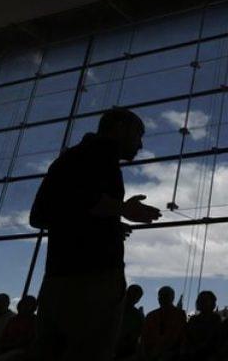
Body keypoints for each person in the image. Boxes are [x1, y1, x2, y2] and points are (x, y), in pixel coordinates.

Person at [31, 108, 161, 361]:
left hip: (58, 277)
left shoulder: (71, 159)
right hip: (92, 281)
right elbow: (70, 203)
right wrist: (121, 209)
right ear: (120, 127)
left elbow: (45, 214)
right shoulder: (97, 159)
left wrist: (108, 223)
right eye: (138, 134)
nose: (140, 145)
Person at [140, 286, 187, 361]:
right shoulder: (151, 315)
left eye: (166, 295)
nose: (163, 298)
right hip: (151, 354)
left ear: (172, 298)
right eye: (161, 296)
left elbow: (182, 336)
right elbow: (144, 337)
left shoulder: (180, 315)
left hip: (172, 355)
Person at [0, 295, 38, 361]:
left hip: (20, 351)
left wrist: (5, 346)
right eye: (23, 304)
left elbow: (24, 341)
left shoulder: (34, 321)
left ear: (33, 308)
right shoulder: (13, 320)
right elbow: (4, 336)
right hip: (4, 348)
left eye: (28, 305)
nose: (24, 307)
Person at [181, 291, 222, 361]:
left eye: (204, 300)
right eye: (199, 300)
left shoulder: (215, 320)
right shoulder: (193, 320)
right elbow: (186, 338)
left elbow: (215, 340)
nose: (200, 302)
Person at [115, 284, 145, 360]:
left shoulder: (138, 315)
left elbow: (139, 333)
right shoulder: (114, 309)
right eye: (132, 295)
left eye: (137, 296)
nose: (133, 298)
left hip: (125, 352)